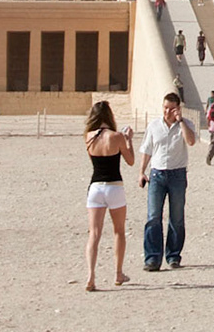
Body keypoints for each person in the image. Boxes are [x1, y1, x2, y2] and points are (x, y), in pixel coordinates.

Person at [134, 91, 197, 271]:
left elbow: (191, 141)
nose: (167, 112)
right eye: (165, 108)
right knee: (153, 217)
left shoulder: (186, 124)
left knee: (176, 218)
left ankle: (173, 256)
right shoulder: (154, 125)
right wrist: (141, 172)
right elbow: (147, 150)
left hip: (177, 175)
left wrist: (180, 121)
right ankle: (152, 258)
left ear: (178, 108)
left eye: (171, 108)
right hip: (157, 175)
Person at [82, 100, 136, 291]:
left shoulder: (88, 137)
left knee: (94, 233)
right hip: (114, 187)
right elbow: (130, 161)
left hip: (95, 187)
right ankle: (118, 273)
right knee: (118, 231)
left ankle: (91, 276)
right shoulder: (117, 136)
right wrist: (128, 140)